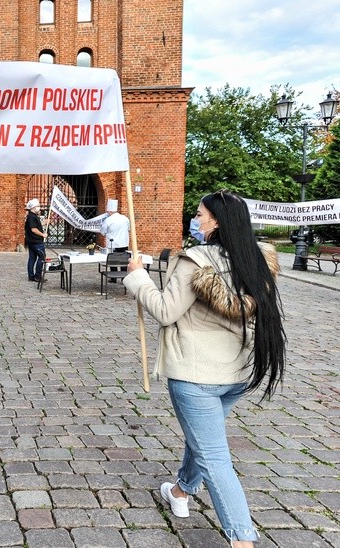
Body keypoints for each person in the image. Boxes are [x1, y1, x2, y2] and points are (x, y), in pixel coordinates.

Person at [123, 190, 285, 548]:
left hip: (196, 375)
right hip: (237, 373)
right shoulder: (256, 259)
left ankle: (242, 540)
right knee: (204, 439)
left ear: (215, 221)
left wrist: (138, 278)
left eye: (199, 215)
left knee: (214, 457)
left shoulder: (195, 261)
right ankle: (181, 491)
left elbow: (165, 311)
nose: (195, 220)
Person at [24, 198, 46, 282]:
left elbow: (35, 226)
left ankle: (31, 276)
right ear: (33, 207)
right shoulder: (32, 217)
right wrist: (43, 235)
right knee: (42, 256)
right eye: (38, 206)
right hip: (36, 241)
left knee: (32, 258)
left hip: (31, 241)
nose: (39, 207)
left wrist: (43, 223)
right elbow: (33, 229)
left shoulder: (32, 216)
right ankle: (37, 276)